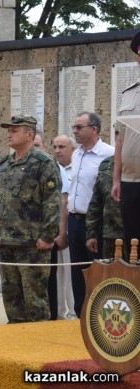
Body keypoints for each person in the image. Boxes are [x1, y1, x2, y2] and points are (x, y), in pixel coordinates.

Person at [0, 115, 61, 323]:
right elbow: (0, 201)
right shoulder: (5, 165)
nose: (9, 134)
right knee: (12, 299)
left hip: (32, 244)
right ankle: (16, 342)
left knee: (35, 301)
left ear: (29, 134)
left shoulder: (43, 163)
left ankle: (38, 349)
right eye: (8, 130)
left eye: (15, 130)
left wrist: (48, 236)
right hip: (7, 242)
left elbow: (52, 203)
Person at [68, 112, 114, 317]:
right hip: (74, 219)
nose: (75, 132)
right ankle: (80, 313)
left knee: (96, 271)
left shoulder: (109, 154)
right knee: (77, 271)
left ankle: (96, 315)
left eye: (79, 127)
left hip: (95, 222)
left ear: (94, 129)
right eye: (74, 128)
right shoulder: (76, 154)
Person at [112, 30, 140, 259]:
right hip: (130, 181)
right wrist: (116, 179)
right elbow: (119, 139)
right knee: (132, 240)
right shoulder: (128, 93)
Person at [50, 134, 76, 319]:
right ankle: (58, 313)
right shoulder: (52, 168)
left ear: (72, 149)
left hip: (70, 228)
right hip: (53, 229)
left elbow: (66, 201)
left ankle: (73, 312)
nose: (57, 151)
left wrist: (63, 231)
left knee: (70, 272)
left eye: (62, 147)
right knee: (56, 273)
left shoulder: (78, 167)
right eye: (55, 147)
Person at [87, 154, 127, 261]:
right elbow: (96, 202)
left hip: (134, 235)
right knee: (112, 276)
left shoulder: (135, 163)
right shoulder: (106, 164)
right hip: (111, 234)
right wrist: (92, 234)